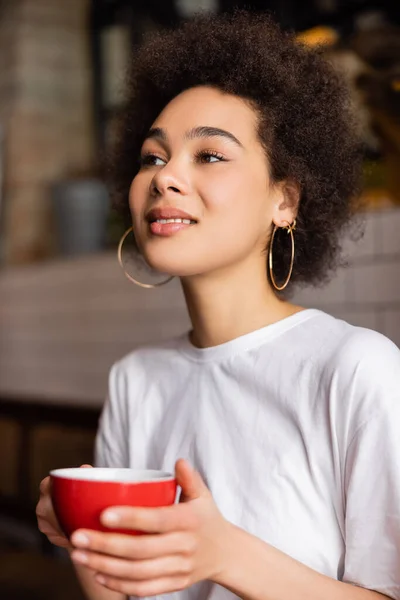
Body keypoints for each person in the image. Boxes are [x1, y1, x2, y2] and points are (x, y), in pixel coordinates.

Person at [36, 10, 400, 600]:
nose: (164, 178)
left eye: (208, 156)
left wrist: (226, 553)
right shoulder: (136, 380)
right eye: (152, 157)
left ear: (285, 201)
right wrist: (87, 538)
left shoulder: (356, 369)